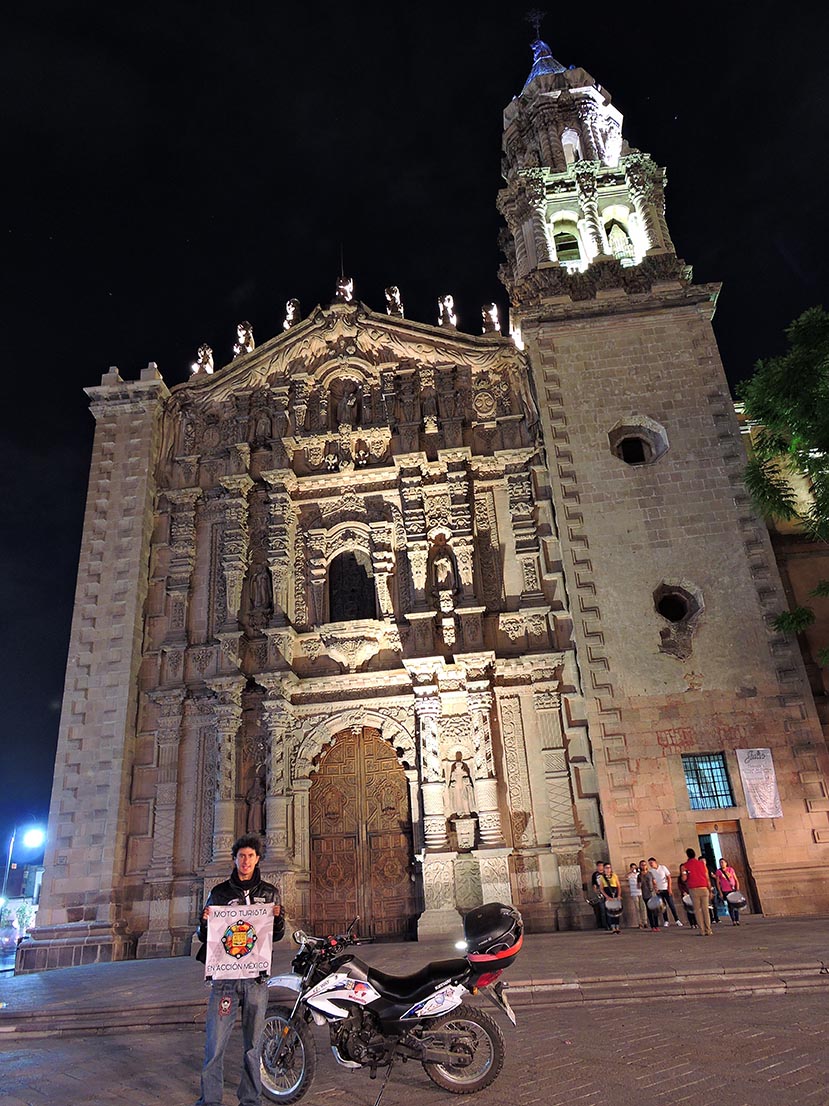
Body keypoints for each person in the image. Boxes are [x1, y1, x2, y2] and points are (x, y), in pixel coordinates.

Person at [194, 834, 285, 1106]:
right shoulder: (219, 893)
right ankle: (210, 1100)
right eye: (241, 856)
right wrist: (204, 921)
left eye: (250, 856)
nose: (245, 861)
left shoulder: (269, 893)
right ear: (235, 859)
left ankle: (250, 1099)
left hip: (256, 979)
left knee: (253, 1046)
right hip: (225, 980)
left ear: (257, 860)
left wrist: (278, 920)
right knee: (214, 1045)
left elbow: (275, 936)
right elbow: (204, 936)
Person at [679, 847, 713, 936]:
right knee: (705, 909)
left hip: (694, 889)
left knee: (697, 910)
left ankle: (702, 930)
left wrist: (684, 873)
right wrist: (710, 890)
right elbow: (707, 877)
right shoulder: (702, 864)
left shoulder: (684, 866)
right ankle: (708, 929)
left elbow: (684, 878)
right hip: (704, 888)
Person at [648, 856, 683, 926]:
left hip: (666, 888)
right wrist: (655, 889)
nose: (651, 864)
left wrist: (669, 888)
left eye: (651, 863)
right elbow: (653, 881)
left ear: (655, 862)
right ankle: (666, 920)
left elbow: (669, 877)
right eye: (649, 863)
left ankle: (677, 919)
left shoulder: (663, 867)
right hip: (659, 890)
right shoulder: (651, 871)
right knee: (663, 906)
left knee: (671, 905)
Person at [714, 858, 742, 925]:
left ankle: (737, 919)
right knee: (730, 906)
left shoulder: (730, 869)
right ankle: (733, 920)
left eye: (723, 862)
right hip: (725, 890)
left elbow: (735, 879)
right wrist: (720, 892)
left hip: (733, 889)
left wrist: (737, 888)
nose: (722, 864)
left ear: (726, 863)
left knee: (735, 905)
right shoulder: (718, 871)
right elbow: (718, 883)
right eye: (720, 862)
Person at [600, 862, 622, 933]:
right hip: (608, 894)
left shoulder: (614, 876)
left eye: (609, 868)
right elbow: (601, 889)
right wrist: (606, 896)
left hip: (614, 893)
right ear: (604, 869)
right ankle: (613, 927)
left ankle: (617, 926)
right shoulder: (602, 877)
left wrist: (618, 895)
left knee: (617, 911)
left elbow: (618, 886)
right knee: (611, 911)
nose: (608, 869)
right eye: (606, 868)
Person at [638, 860, 661, 931]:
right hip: (645, 894)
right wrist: (640, 883)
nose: (644, 866)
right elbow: (638, 886)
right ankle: (652, 926)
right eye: (642, 865)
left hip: (652, 893)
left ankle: (656, 925)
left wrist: (656, 889)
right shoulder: (639, 875)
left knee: (655, 910)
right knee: (649, 910)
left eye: (645, 865)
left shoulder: (650, 873)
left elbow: (654, 882)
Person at [627, 862, 647, 929]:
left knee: (643, 907)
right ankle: (640, 922)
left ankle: (645, 922)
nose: (634, 869)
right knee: (637, 908)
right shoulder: (630, 875)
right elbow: (626, 876)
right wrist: (631, 872)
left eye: (634, 867)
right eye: (632, 868)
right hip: (634, 893)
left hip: (641, 892)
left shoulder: (639, 874)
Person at [590, 860, 608, 930]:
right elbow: (594, 885)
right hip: (600, 893)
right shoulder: (595, 875)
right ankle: (604, 924)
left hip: (607, 892)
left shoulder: (606, 873)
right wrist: (597, 893)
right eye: (599, 866)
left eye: (601, 866)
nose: (600, 867)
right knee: (602, 909)